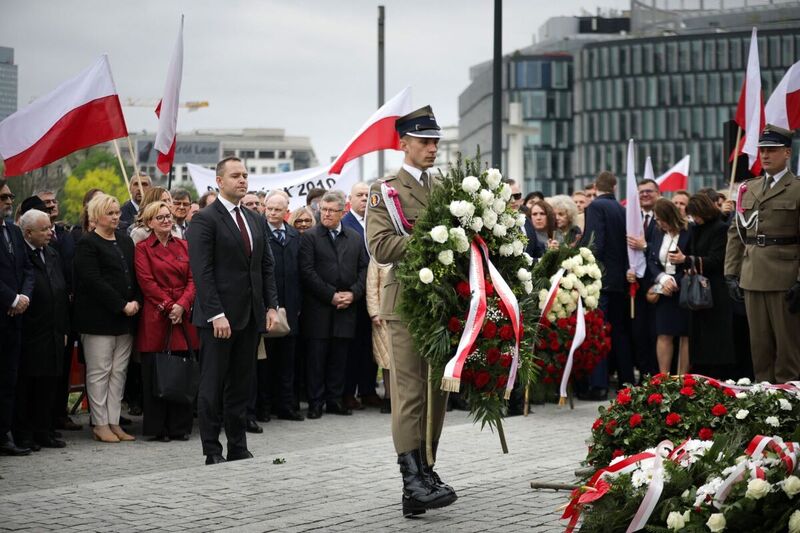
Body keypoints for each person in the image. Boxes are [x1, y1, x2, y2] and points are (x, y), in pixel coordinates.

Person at [365, 105, 458, 517]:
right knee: (410, 394)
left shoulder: (445, 188)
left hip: (441, 302)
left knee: (437, 393)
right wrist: (434, 239)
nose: (432, 148)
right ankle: (411, 477)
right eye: (424, 141)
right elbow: (380, 246)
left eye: (435, 141)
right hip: (404, 303)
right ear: (404, 143)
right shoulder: (385, 189)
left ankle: (426, 472)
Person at [186, 156, 279, 465]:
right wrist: (216, 314)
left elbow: (266, 266)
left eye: (245, 175)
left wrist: (271, 306)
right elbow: (202, 271)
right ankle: (212, 449)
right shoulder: (205, 219)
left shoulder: (254, 218)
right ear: (219, 181)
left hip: (250, 316)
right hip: (219, 319)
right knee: (212, 384)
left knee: (241, 384)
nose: (243, 180)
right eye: (236, 175)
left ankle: (238, 446)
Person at [724, 124, 800, 384]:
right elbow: (736, 234)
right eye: (762, 150)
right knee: (759, 347)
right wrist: (730, 274)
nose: (765, 155)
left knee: (788, 349)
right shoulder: (748, 188)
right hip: (752, 275)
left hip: (785, 277)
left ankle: (789, 403)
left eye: (772, 150)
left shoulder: (797, 188)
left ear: (787, 153)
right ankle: (764, 403)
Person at [73, 193, 140, 443]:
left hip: (126, 319)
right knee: (99, 372)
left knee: (119, 372)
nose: (116, 217)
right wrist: (121, 304)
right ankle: (100, 423)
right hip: (99, 319)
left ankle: (114, 421)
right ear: (96, 216)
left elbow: (132, 275)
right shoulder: (87, 244)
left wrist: (135, 303)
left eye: (117, 212)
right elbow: (93, 281)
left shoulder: (124, 241)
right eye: (110, 213)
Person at [299, 190, 368, 419]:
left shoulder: (355, 238)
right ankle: (316, 402)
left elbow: (363, 270)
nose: (326, 214)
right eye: (323, 210)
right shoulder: (310, 236)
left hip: (346, 308)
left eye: (331, 210)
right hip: (319, 308)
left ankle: (335, 400)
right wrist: (331, 295)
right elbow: (307, 272)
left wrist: (353, 294)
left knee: (340, 358)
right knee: (316, 359)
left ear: (342, 212)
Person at [134, 201, 199, 442]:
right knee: (156, 372)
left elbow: (194, 279)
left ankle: (180, 426)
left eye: (168, 216)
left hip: (183, 314)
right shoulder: (142, 248)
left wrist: (183, 304)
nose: (166, 221)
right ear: (149, 222)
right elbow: (146, 281)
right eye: (160, 217)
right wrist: (170, 306)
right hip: (157, 316)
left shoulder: (184, 245)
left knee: (182, 370)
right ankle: (158, 427)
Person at [13, 208, 69, 450]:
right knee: (29, 384)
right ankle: (25, 433)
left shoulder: (52, 254)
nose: (49, 232)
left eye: (49, 227)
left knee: (49, 383)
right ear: (28, 233)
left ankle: (43, 430)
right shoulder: (21, 256)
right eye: (44, 229)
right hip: (32, 329)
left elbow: (60, 289)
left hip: (54, 328)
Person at [580, 171, 634, 399]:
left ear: (596, 186)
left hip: (600, 279)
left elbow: (595, 242)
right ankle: (626, 380)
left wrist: (584, 264)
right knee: (620, 332)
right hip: (620, 279)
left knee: (598, 330)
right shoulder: (622, 210)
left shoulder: (595, 207)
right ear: (614, 187)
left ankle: (599, 385)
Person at [36, 189, 81, 432]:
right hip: (44, 315)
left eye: (54, 202)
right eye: (46, 203)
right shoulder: (36, 240)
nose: (52, 206)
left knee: (63, 367)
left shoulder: (65, 235)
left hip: (67, 311)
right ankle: (43, 420)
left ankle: (60, 413)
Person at [679, 194, 735, 378]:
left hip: (716, 292)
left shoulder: (721, 228)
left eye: (696, 214)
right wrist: (684, 260)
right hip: (697, 293)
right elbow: (691, 253)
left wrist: (687, 260)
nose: (694, 218)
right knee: (698, 339)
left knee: (715, 340)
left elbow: (717, 260)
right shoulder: (696, 229)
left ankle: (717, 376)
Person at [260, 190, 304, 422]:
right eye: (270, 208)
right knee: (266, 361)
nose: (273, 213)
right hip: (269, 307)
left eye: (278, 209)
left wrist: (298, 304)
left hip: (291, 306)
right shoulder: (259, 234)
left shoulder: (295, 235)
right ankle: (264, 407)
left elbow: (301, 272)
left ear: (287, 211)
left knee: (288, 361)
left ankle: (285, 405)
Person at [0, 180, 35, 456]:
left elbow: (27, 269)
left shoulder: (13, 230)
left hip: (15, 319)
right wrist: (11, 299)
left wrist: (23, 297)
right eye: (4, 196)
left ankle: (5, 434)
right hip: (3, 311)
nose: (10, 200)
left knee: (9, 379)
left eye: (10, 196)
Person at [341, 182, 380, 410]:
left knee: (370, 345)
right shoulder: (345, 224)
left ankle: (368, 390)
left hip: (374, 293)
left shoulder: (377, 222)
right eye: (360, 195)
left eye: (368, 195)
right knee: (352, 347)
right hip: (354, 291)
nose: (364, 199)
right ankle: (348, 392)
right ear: (350, 199)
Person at [644, 198, 691, 375]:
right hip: (664, 289)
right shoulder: (657, 232)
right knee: (664, 333)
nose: (658, 223)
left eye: (660, 219)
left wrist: (676, 281)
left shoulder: (689, 231)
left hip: (683, 288)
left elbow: (691, 259)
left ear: (669, 217)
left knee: (685, 335)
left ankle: (683, 378)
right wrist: (663, 279)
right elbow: (651, 259)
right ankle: (664, 378)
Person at [627, 179, 661, 379]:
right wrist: (627, 270)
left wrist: (645, 247)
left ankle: (657, 374)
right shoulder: (631, 219)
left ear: (658, 193)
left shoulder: (663, 218)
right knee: (638, 332)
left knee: (655, 332)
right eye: (641, 192)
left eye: (649, 191)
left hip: (657, 284)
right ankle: (644, 373)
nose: (645, 195)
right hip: (635, 286)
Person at [366, 258, 392, 414]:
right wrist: (374, 313)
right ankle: (388, 398)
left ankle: (403, 398)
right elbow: (371, 286)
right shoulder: (378, 257)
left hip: (406, 316)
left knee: (403, 361)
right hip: (383, 318)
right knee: (386, 361)